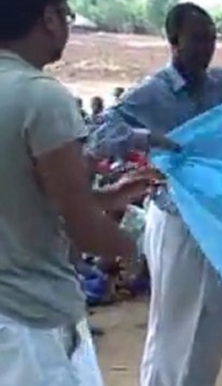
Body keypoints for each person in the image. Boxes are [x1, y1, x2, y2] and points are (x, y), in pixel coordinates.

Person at [88, 4, 222, 386]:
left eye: (212, 38)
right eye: (199, 39)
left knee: (212, 324)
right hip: (177, 221)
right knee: (174, 328)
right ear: (173, 43)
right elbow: (97, 134)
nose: (208, 47)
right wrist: (146, 139)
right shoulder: (153, 94)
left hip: (219, 222)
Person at [0, 1, 155, 384]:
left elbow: (28, 193)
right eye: (67, 16)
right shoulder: (41, 98)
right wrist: (139, 249)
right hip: (34, 321)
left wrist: (110, 196)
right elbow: (83, 229)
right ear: (49, 19)